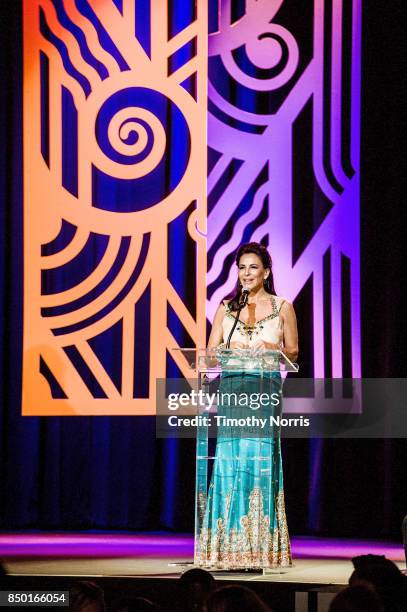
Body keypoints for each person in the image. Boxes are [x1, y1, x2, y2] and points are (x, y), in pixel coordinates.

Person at [196, 242, 298, 569]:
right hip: (233, 390)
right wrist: (228, 347)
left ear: (266, 271)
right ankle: (224, 549)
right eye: (241, 267)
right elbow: (210, 354)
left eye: (253, 267)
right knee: (229, 461)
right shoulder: (227, 308)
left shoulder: (283, 306)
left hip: (263, 391)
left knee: (258, 461)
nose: (246, 273)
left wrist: (271, 347)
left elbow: (293, 352)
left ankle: (260, 548)